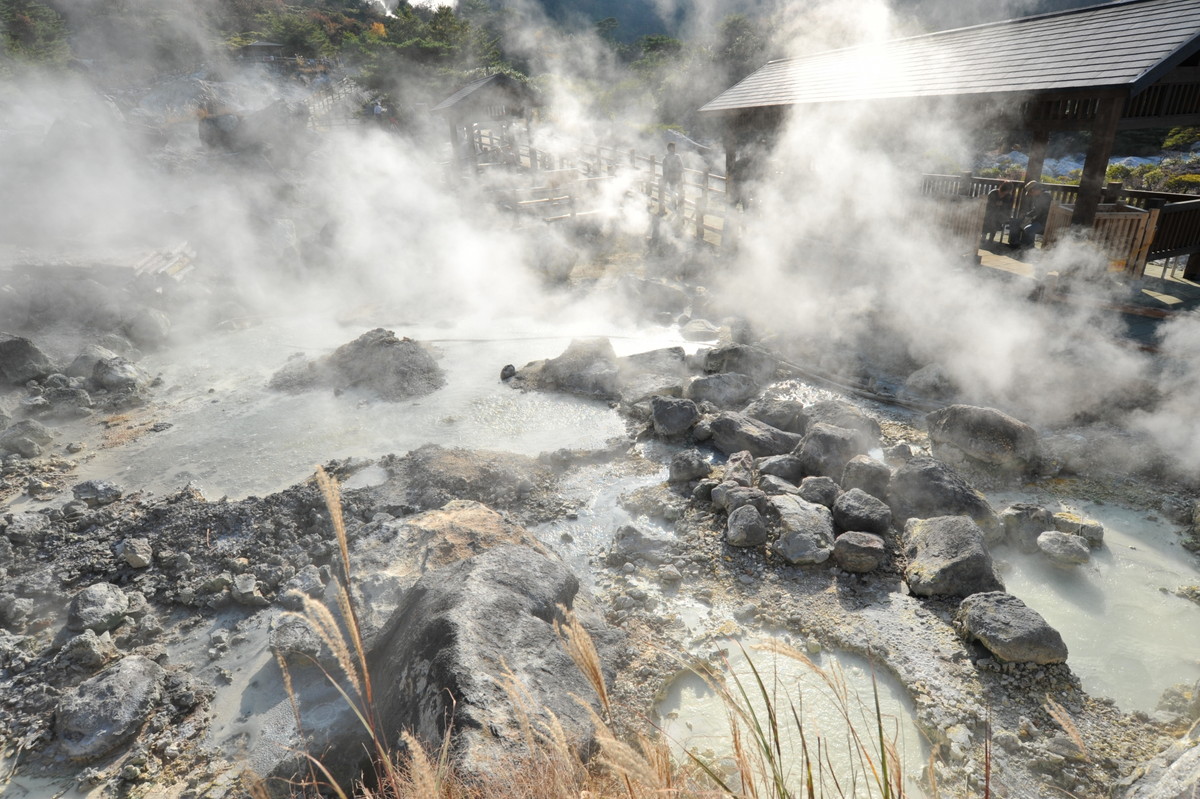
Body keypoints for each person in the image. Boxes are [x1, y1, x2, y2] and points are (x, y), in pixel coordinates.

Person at [1016, 181, 1052, 251]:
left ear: (1033, 190)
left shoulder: (1046, 196)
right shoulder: (1039, 196)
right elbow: (1036, 210)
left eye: (1031, 193)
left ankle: (1030, 250)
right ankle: (1025, 248)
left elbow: (1043, 212)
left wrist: (1033, 219)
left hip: (1046, 221)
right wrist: (1027, 215)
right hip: (1041, 220)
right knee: (1023, 226)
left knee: (1028, 229)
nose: (1031, 195)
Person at [662, 142, 683, 212]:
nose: (674, 149)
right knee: (675, 192)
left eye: (674, 147)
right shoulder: (673, 157)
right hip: (675, 178)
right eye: (672, 147)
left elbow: (681, 167)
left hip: (674, 178)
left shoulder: (667, 158)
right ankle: (675, 206)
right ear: (669, 148)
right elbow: (681, 167)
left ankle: (675, 206)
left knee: (675, 192)